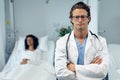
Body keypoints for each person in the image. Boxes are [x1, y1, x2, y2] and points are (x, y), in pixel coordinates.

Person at [55, 1, 109, 80]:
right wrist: (89, 69)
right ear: (71, 19)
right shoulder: (62, 42)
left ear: (88, 18)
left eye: (83, 16)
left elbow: (102, 72)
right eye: (76, 17)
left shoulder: (100, 41)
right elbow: (60, 74)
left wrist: (74, 67)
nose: (80, 20)